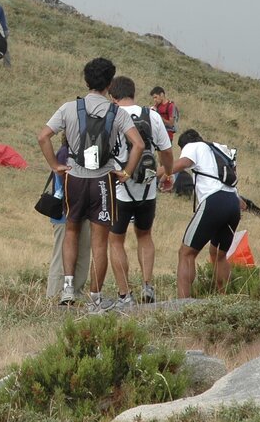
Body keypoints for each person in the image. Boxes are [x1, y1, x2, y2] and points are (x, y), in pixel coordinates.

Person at [36, 57, 144, 311]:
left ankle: (67, 289)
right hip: (103, 181)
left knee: (71, 231)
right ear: (109, 84)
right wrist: (127, 172)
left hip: (74, 177)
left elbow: (43, 136)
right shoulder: (116, 112)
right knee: (99, 242)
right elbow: (138, 144)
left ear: (86, 80)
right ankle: (95, 297)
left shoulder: (69, 108)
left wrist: (55, 165)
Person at [106, 76, 174, 306]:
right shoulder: (152, 115)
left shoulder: (111, 116)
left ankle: (125, 294)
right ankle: (147, 285)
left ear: (112, 97)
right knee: (144, 235)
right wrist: (168, 173)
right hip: (148, 187)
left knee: (116, 240)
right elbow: (166, 151)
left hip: (120, 188)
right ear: (133, 93)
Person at [170, 129, 242, 298]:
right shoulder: (221, 148)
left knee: (186, 253)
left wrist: (156, 173)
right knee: (219, 255)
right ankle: (225, 301)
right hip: (233, 202)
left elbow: (183, 163)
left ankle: (183, 306)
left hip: (213, 202)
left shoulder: (193, 146)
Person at [46, 142, 92, 302]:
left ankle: (76, 295)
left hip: (84, 211)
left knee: (83, 253)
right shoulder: (65, 153)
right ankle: (54, 295)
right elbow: (63, 180)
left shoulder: (88, 152)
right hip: (64, 213)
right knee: (61, 254)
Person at [150, 86, 178, 192]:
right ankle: (162, 184)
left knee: (165, 162)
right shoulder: (157, 106)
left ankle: (168, 184)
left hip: (167, 135)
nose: (155, 100)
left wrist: (158, 117)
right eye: (153, 98)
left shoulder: (170, 106)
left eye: (156, 97)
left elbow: (171, 122)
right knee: (161, 161)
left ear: (162, 95)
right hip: (158, 135)